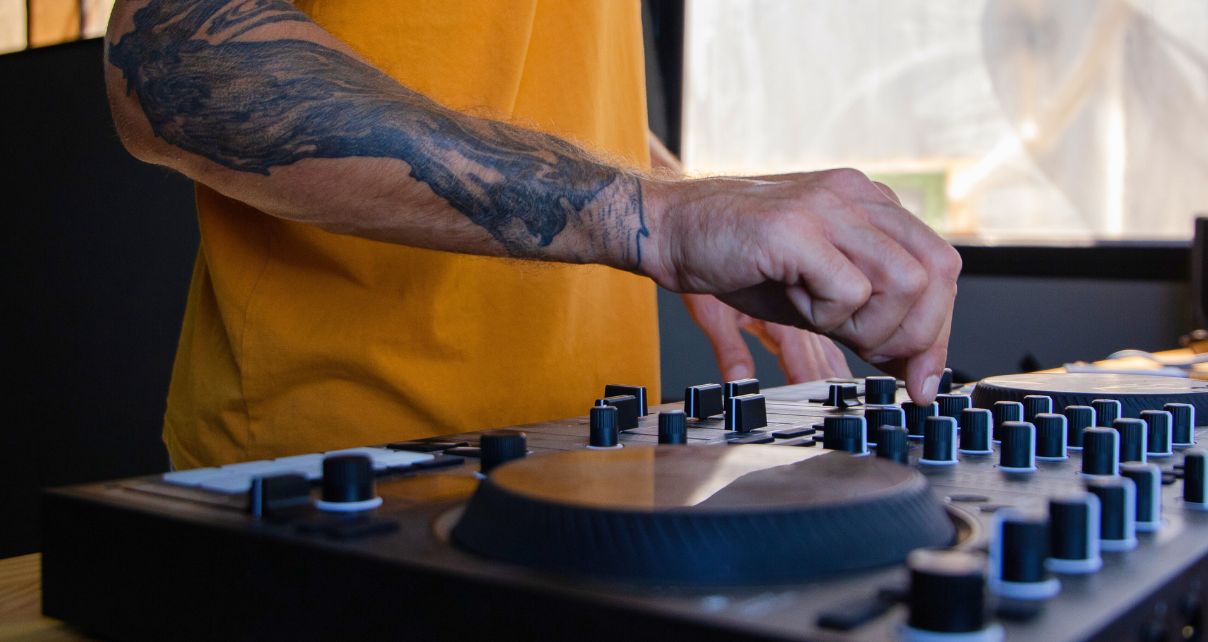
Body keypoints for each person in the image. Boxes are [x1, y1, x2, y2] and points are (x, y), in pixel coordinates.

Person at [103, 0, 960, 469]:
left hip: (595, 465)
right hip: (337, 477)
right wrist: (652, 218)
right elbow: (171, 60)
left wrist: (696, 204)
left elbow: (541, 97)